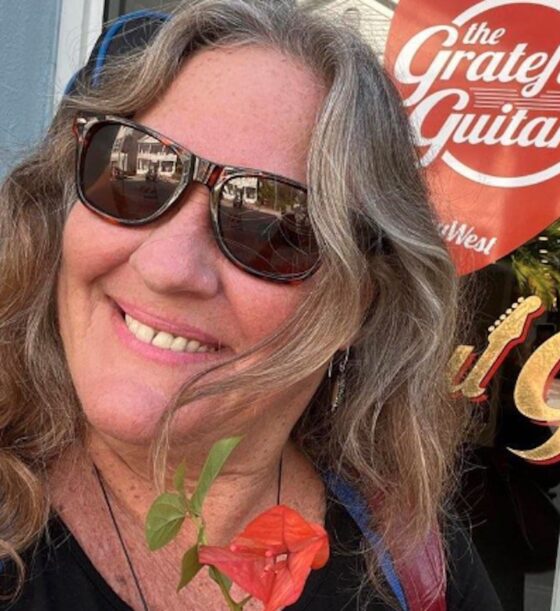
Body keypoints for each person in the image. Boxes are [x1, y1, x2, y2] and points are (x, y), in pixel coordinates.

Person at [0, 1, 502, 609]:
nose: (167, 267)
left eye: (270, 222)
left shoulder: (412, 560)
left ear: (358, 307)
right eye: (135, 172)